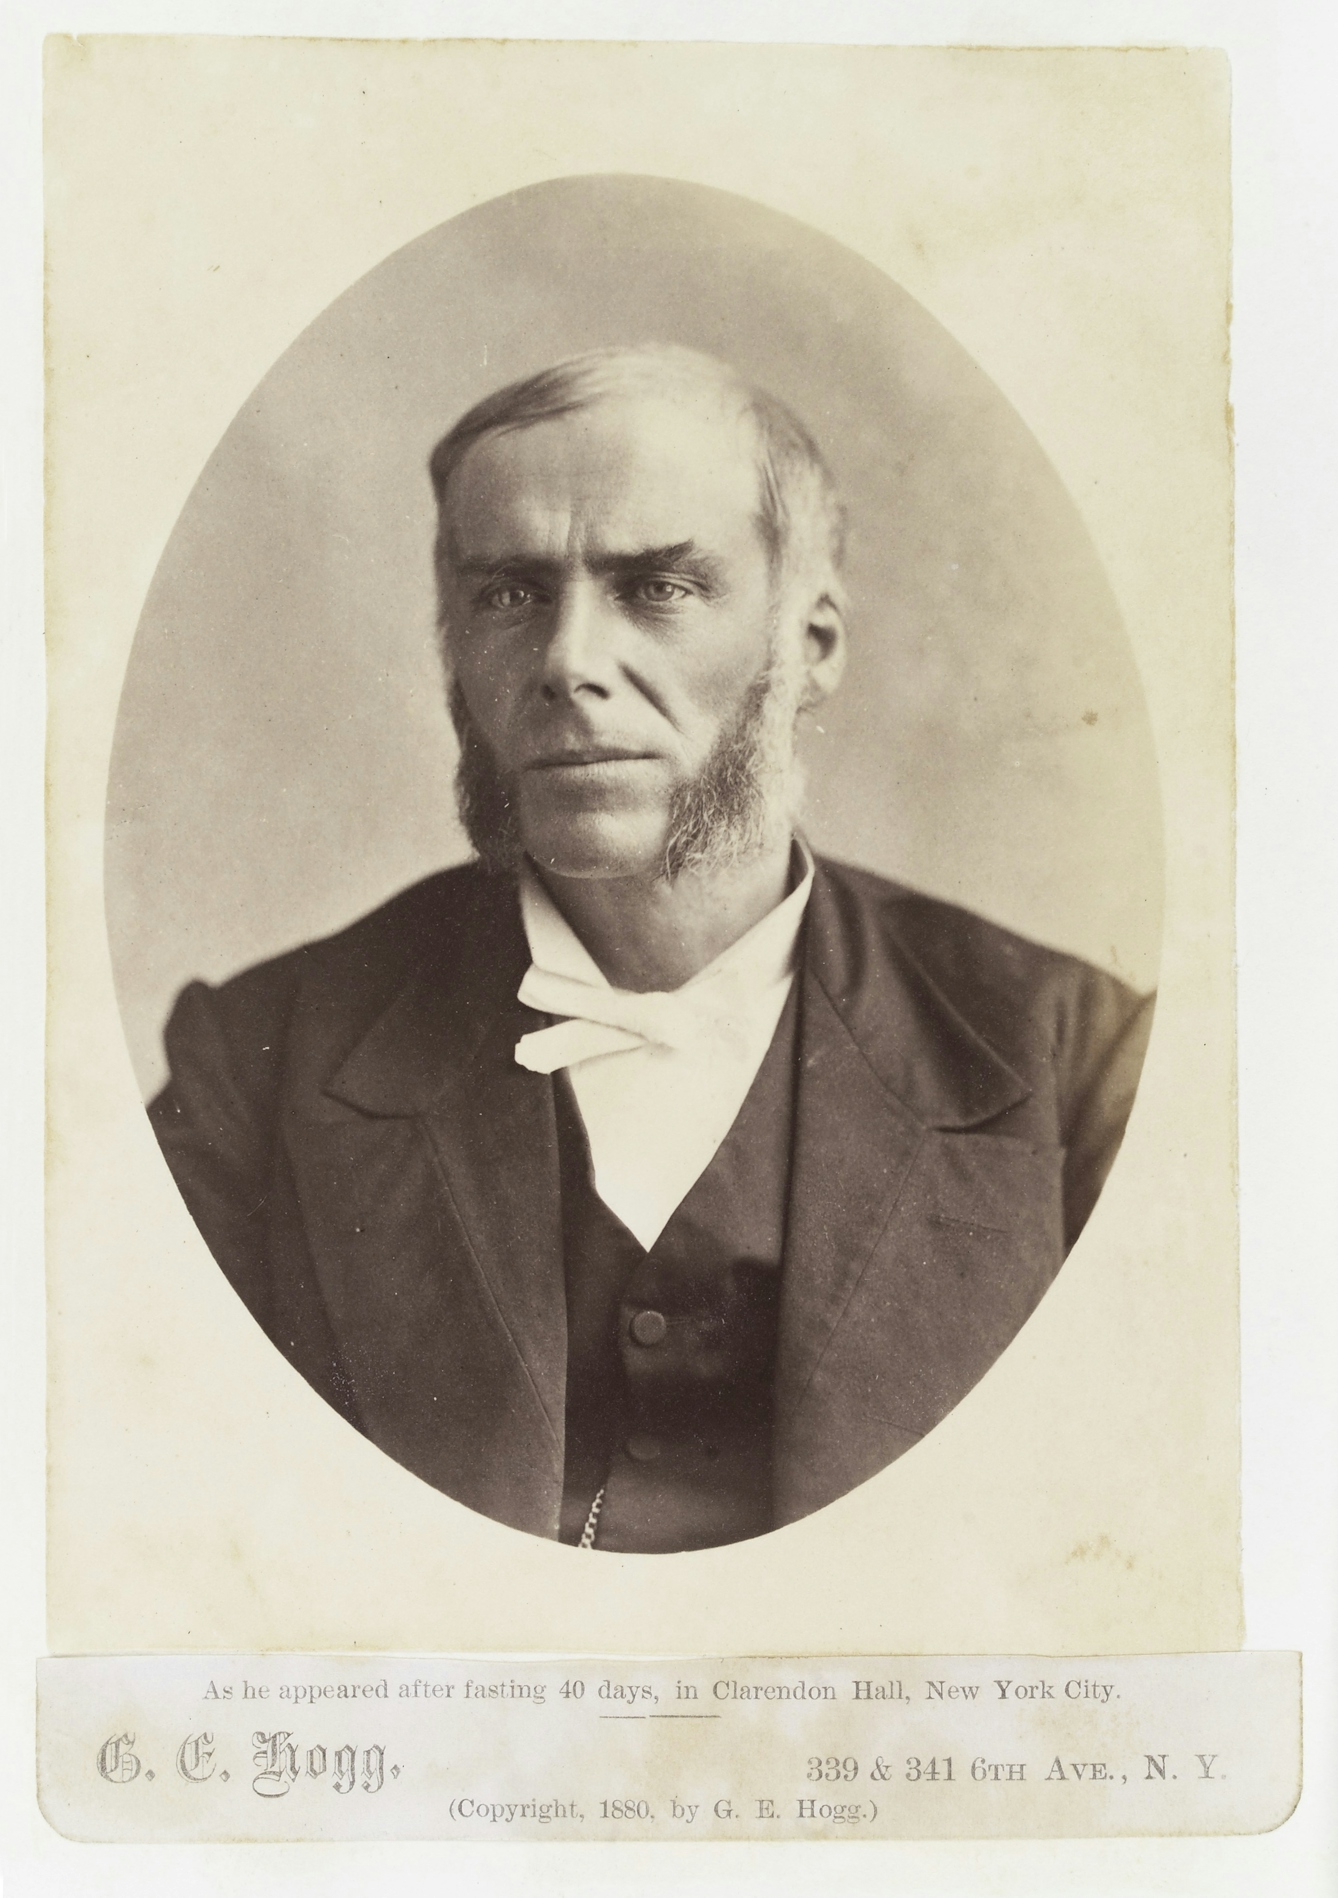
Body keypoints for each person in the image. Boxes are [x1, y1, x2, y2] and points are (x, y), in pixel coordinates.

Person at [149, 344, 1155, 1554]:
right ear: (453, 650)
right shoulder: (255, 1068)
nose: (570, 662)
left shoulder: (1075, 1061)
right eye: (509, 593)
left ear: (813, 646)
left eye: (659, 587)